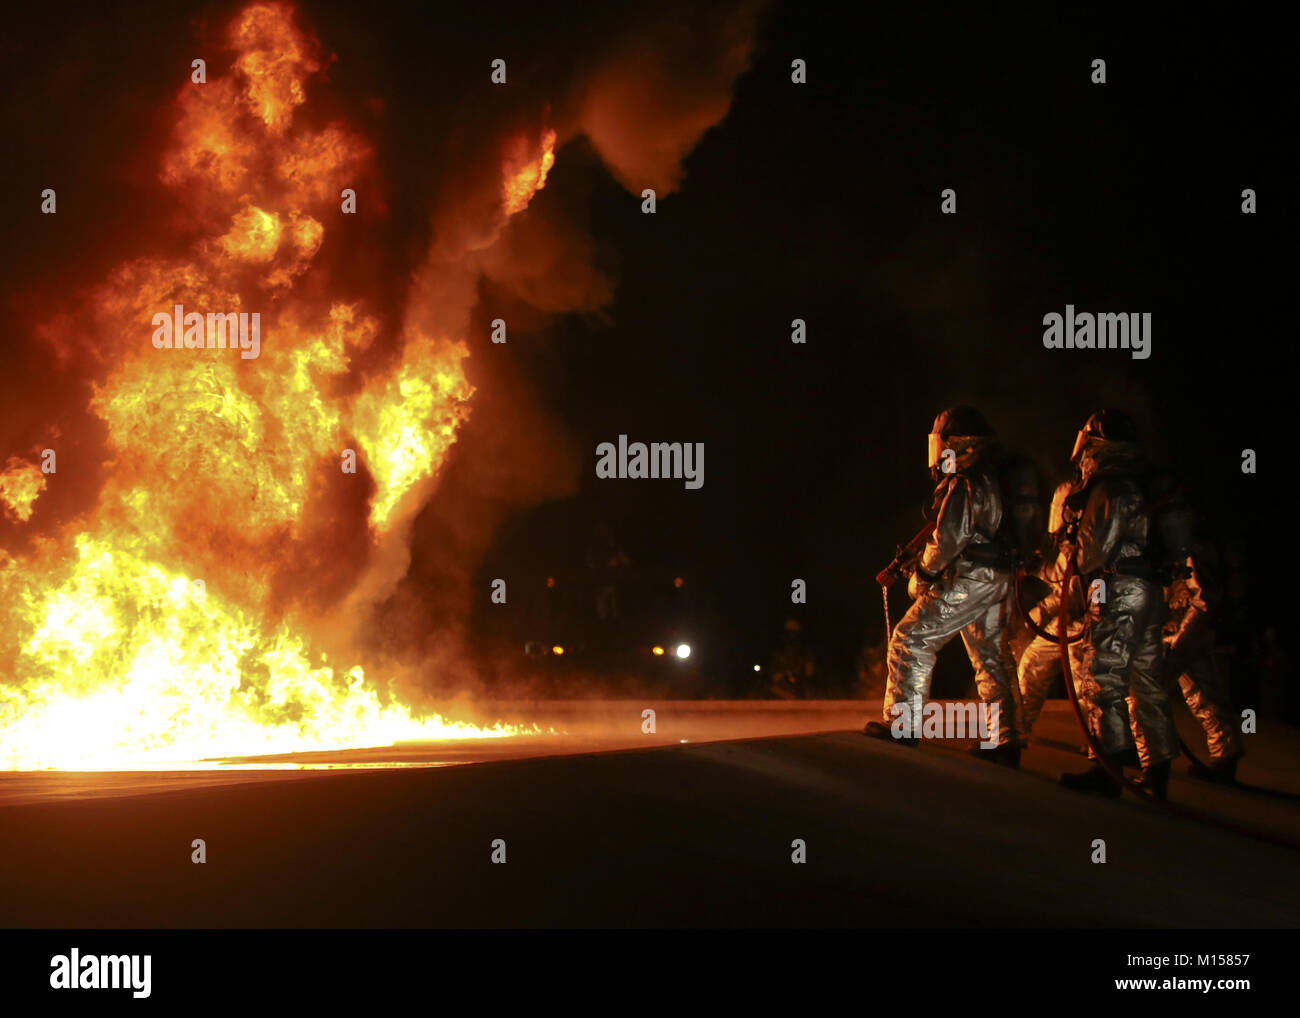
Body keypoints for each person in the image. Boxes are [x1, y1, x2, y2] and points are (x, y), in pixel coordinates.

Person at [864, 406, 1021, 767]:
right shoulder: (994, 476)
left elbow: (949, 539)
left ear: (955, 444)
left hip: (969, 576)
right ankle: (1007, 740)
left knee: (910, 639)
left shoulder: (966, 482)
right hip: (998, 577)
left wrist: (923, 573)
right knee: (992, 657)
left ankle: (902, 727)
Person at [1058, 411, 1180, 798]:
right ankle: (1157, 772)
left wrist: (1064, 555)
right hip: (1150, 591)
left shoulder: (1110, 488)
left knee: (1103, 674)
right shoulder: (1143, 485)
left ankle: (1108, 769)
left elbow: (1092, 553)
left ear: (1096, 447)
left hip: (1119, 588)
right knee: (1147, 681)